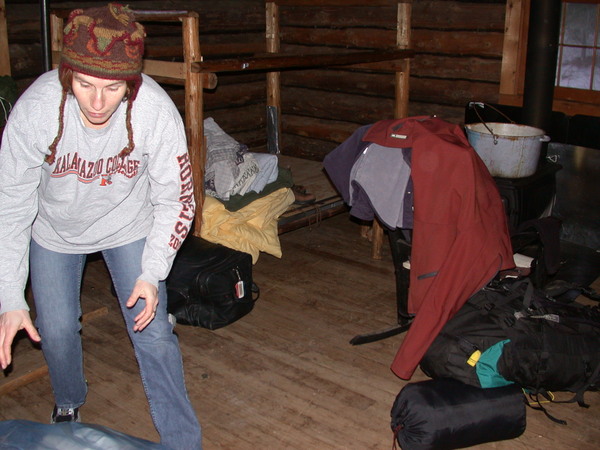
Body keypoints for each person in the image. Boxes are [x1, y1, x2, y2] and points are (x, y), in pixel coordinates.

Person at [0, 3, 202, 449]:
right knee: (54, 330)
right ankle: (69, 402)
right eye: (84, 84)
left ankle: (183, 440)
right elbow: (10, 205)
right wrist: (10, 295)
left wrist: (152, 272)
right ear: (66, 74)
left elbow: (178, 197)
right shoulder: (36, 110)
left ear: (131, 82)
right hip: (54, 230)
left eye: (112, 88)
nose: (96, 102)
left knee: (153, 334)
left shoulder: (153, 110)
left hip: (128, 223)